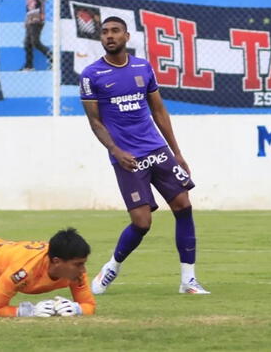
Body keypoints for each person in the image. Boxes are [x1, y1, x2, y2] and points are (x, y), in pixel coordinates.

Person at [79, 16, 210, 295]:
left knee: (183, 205)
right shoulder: (91, 75)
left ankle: (188, 280)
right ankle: (112, 267)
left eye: (115, 31)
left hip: (157, 150)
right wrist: (115, 150)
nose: (109, 36)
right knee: (142, 222)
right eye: (104, 32)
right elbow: (95, 122)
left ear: (127, 36)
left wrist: (177, 152)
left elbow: (159, 111)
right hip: (127, 157)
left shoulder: (143, 67)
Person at [21, 0, 52, 71]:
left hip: (37, 19)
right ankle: (29, 65)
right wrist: (26, 21)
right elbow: (29, 8)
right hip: (30, 20)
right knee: (27, 43)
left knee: (35, 42)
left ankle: (53, 58)